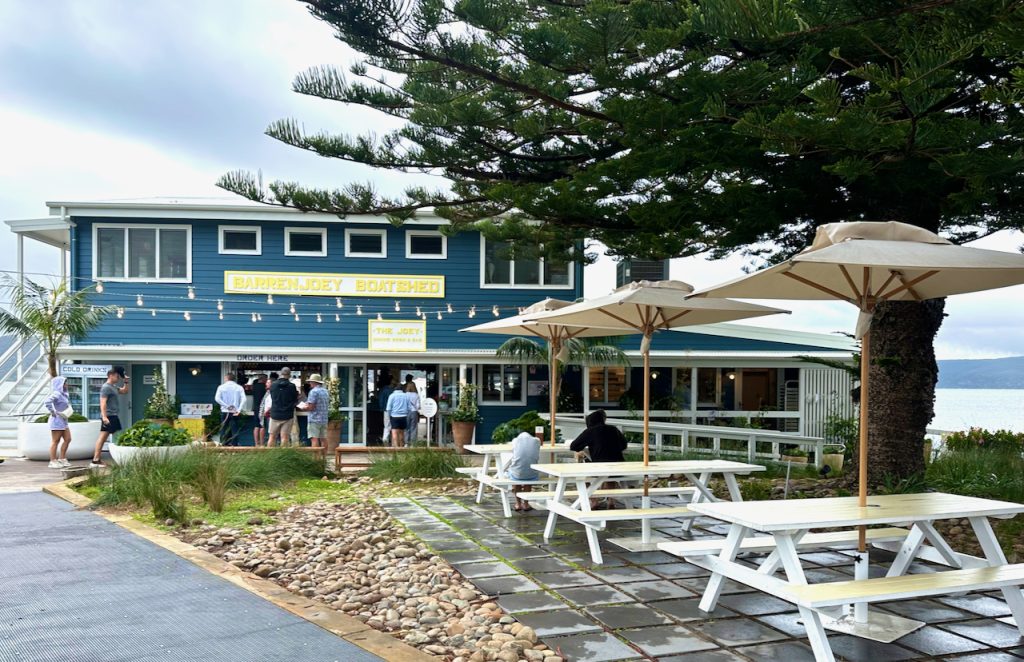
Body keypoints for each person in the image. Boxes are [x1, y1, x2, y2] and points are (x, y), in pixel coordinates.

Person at [569, 409, 628, 508]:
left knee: (580, 476)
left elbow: (574, 446)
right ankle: (611, 501)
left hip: (600, 468)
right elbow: (624, 445)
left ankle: (593, 500)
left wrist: (587, 446)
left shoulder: (590, 431)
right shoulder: (613, 429)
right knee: (611, 475)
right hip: (619, 468)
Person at [91, 368, 129, 468]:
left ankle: (97, 459)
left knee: (111, 436)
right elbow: (102, 402)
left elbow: (125, 391)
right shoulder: (106, 387)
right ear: (111, 375)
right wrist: (104, 417)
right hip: (108, 416)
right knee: (103, 437)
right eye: (117, 376)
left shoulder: (113, 387)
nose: (118, 378)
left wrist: (126, 381)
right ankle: (95, 460)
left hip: (114, 415)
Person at [508, 429, 541, 512]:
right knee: (528, 476)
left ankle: (518, 504)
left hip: (517, 474)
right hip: (532, 474)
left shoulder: (515, 441)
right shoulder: (537, 440)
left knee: (516, 474)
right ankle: (526, 504)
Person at [43, 376, 73, 468]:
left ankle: (62, 458)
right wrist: (53, 411)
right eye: (64, 383)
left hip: (64, 419)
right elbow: (47, 402)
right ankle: (52, 461)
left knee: (68, 439)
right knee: (55, 441)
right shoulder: (57, 393)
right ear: (60, 384)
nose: (66, 384)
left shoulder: (63, 394)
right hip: (57, 420)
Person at [266, 367, 298, 447]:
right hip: (287, 415)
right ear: (289, 375)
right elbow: (295, 399)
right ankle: (283, 457)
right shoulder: (292, 386)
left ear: (281, 374)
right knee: (285, 437)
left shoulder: (273, 385)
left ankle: (269, 455)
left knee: (272, 437)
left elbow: (272, 397)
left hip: (275, 414)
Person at [214, 373, 246, 446]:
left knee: (223, 429)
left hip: (225, 411)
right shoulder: (239, 387)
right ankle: (235, 445)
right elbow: (244, 399)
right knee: (234, 429)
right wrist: (239, 409)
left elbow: (217, 399)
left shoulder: (221, 387)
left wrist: (226, 406)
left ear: (226, 378)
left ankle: (223, 444)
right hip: (235, 411)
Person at [301, 374, 329, 449]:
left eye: (310, 382)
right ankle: (324, 457)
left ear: (314, 382)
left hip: (314, 419)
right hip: (324, 419)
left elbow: (311, 407)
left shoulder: (313, 392)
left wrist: (303, 408)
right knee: (323, 439)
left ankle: (316, 458)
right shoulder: (325, 391)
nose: (310, 384)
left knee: (314, 439)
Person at [385, 383, 410, 448]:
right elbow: (409, 407)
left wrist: (390, 415)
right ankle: (401, 446)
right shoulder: (406, 396)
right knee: (402, 433)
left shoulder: (392, 396)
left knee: (394, 432)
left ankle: (396, 447)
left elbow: (388, 408)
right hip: (403, 416)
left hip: (394, 416)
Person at [379, 377, 398, 444]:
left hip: (386, 410)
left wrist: (382, 408)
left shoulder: (385, 389)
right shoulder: (392, 390)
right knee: (393, 426)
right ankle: (391, 441)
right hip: (392, 410)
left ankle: (386, 440)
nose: (396, 381)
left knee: (387, 426)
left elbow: (381, 400)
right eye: (395, 380)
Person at [251, 375, 268, 446]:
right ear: (263, 379)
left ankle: (256, 444)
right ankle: (261, 444)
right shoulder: (265, 388)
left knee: (256, 426)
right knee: (262, 426)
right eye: (266, 379)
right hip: (262, 408)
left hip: (256, 408)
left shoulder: (254, 386)